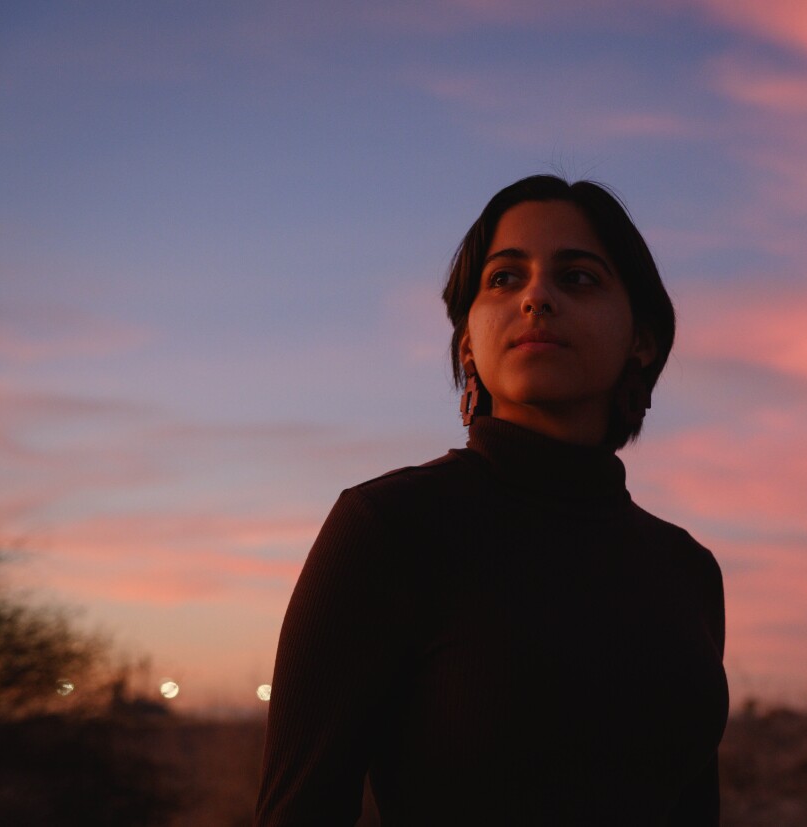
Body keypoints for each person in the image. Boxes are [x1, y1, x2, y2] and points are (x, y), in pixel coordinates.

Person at [254, 175, 729, 825]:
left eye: (579, 277)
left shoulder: (688, 570)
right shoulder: (389, 529)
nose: (536, 296)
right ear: (467, 344)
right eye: (504, 278)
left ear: (641, 337)